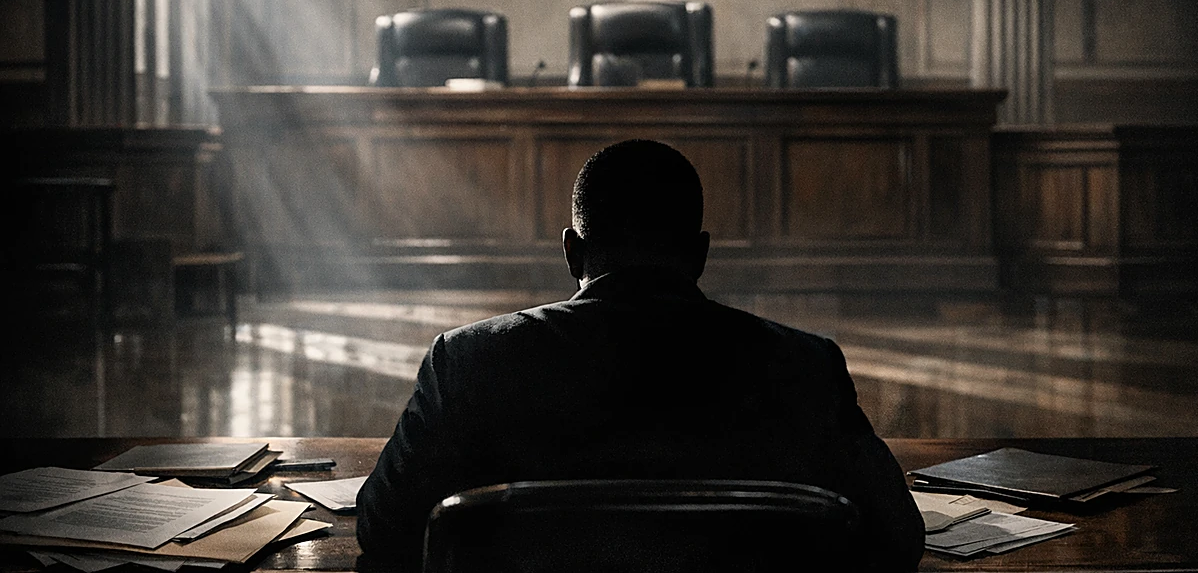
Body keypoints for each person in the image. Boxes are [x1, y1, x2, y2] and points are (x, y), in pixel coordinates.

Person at [357, 139, 924, 571]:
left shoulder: (467, 361)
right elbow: (897, 540)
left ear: (571, 251)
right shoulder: (806, 366)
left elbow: (384, 531)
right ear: (700, 255)